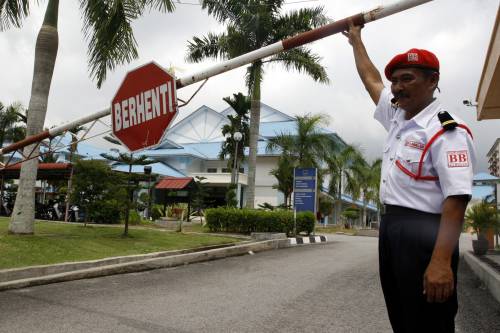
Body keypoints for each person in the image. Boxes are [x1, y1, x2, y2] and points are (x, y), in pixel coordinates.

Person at [344, 21, 476, 333]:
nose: (398, 87)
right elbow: (371, 81)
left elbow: (456, 200)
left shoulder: (447, 131)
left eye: (407, 79)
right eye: (396, 81)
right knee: (402, 318)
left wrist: (441, 261)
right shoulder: (398, 118)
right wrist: (356, 40)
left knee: (430, 321)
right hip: (392, 229)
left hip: (426, 234)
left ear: (433, 81)